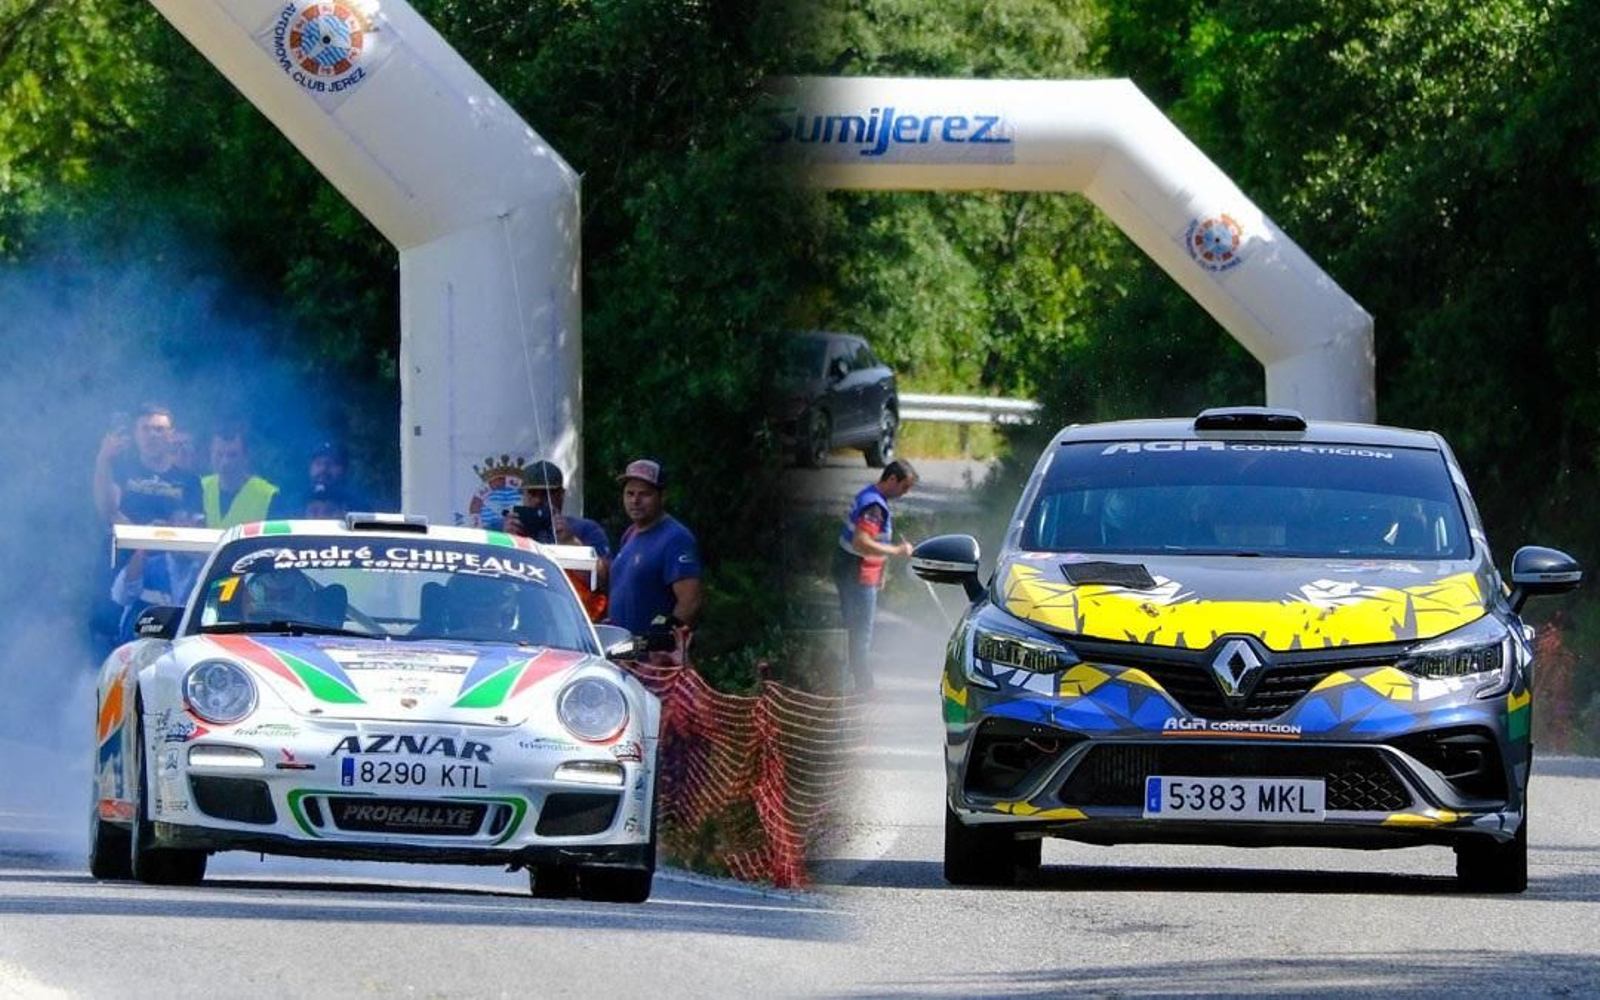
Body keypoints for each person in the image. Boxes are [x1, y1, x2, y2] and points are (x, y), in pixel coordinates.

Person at [831, 459, 918, 692]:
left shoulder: (869, 495)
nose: (905, 493)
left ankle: (848, 682)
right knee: (860, 634)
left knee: (853, 629)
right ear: (892, 479)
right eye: (904, 487)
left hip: (852, 570)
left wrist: (882, 571)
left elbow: (870, 540)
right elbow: (861, 542)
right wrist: (897, 551)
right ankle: (863, 687)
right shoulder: (874, 507)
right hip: (857, 573)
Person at [606, 458, 702, 661]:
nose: (635, 501)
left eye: (645, 494)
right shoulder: (629, 535)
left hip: (655, 666)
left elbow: (690, 601)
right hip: (622, 656)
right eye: (630, 493)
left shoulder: (676, 538)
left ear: (663, 496)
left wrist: (662, 645)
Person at [504, 461, 612, 617]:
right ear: (523, 494)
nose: (538, 500)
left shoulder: (586, 530)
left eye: (546, 494)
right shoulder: (502, 528)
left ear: (561, 494)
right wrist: (505, 540)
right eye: (532, 493)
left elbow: (605, 583)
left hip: (566, 617)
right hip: (516, 615)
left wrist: (570, 542)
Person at [93, 402, 203, 527]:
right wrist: (103, 458)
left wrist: (168, 530)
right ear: (135, 434)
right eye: (145, 429)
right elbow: (108, 511)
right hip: (127, 540)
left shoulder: (190, 480)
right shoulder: (121, 470)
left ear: (171, 435)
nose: (152, 435)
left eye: (159, 429)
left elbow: (197, 524)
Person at [202, 424, 280, 528]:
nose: (225, 462)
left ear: (246, 456)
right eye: (219, 454)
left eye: (232, 455)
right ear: (210, 454)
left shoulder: (268, 496)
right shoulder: (199, 488)